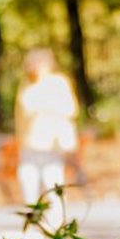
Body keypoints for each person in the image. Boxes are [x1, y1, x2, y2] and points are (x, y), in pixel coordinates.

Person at [14, 48, 78, 216]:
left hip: (51, 142)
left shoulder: (58, 82)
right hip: (29, 143)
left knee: (53, 181)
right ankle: (33, 218)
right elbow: (22, 113)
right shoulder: (26, 85)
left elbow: (70, 109)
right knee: (28, 182)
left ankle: (57, 221)